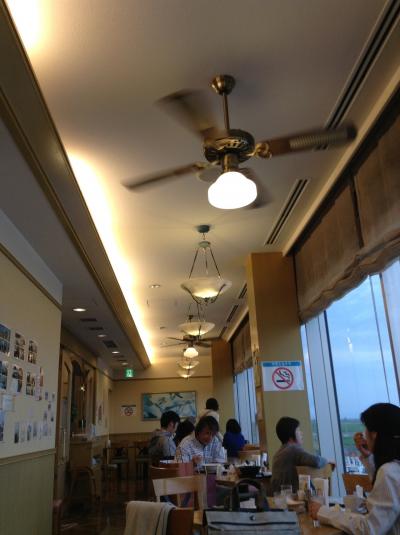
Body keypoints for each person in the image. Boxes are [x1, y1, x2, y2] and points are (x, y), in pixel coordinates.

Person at [310, 403, 400, 534]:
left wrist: (323, 512)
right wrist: (368, 457)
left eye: (366, 429)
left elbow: (369, 529)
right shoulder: (393, 468)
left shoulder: (389, 472)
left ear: (374, 434)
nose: (364, 434)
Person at [271, 416, 328, 493]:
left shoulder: (277, 454)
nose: (301, 433)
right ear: (291, 435)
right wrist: (326, 461)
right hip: (291, 496)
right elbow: (316, 461)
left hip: (277, 496)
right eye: (298, 430)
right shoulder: (293, 450)